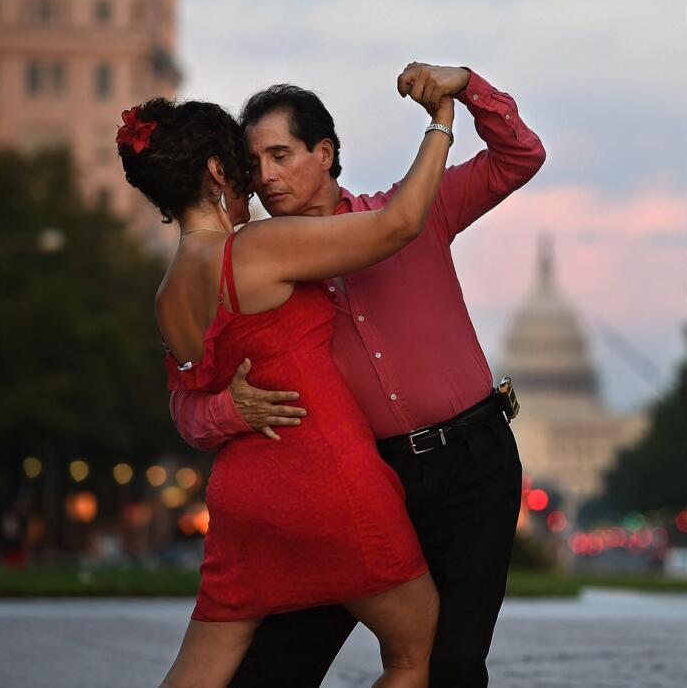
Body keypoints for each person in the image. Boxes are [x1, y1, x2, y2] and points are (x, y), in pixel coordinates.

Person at [170, 64, 545, 688]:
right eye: (253, 163)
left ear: (326, 152)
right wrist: (229, 411)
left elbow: (521, 155)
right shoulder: (254, 264)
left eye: (281, 154)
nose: (265, 177)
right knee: (277, 667)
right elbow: (186, 396)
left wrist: (465, 87)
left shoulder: (414, 207)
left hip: (472, 464)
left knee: (452, 667)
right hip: (356, 485)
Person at [118, 64, 458, 687]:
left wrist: (230, 410)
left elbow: (189, 407)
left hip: (240, 500)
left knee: (197, 669)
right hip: (327, 482)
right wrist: (441, 123)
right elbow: (399, 223)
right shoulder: (257, 247)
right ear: (218, 173)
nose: (255, 182)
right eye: (242, 168)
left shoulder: (167, 293)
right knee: (415, 650)